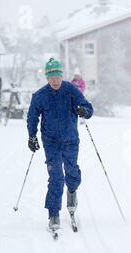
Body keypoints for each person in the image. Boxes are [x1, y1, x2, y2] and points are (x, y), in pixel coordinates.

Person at [27, 58, 94, 231]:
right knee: (56, 176)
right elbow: (32, 117)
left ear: (61, 75)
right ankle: (53, 213)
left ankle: (72, 191)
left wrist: (83, 111)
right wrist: (32, 136)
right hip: (51, 142)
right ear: (47, 78)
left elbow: (88, 108)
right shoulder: (40, 96)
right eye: (51, 77)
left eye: (57, 76)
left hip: (70, 140)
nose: (55, 80)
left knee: (71, 172)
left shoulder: (71, 90)